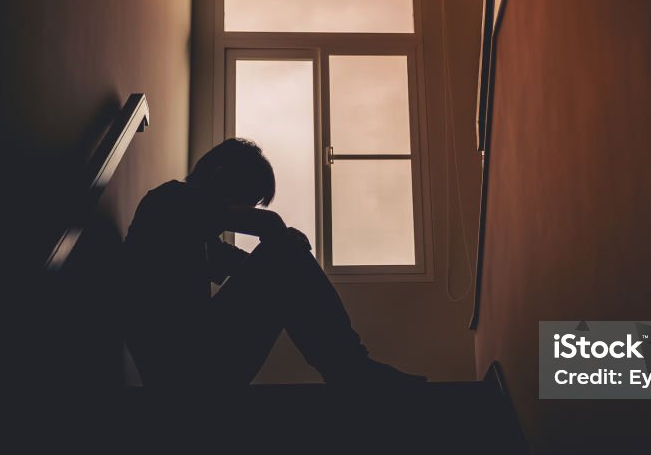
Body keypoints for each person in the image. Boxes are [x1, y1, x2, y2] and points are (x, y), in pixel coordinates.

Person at [122, 138, 426, 388]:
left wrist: (287, 256)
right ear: (220, 178)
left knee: (284, 257)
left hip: (193, 365)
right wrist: (282, 240)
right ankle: (352, 369)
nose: (239, 216)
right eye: (242, 203)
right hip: (182, 368)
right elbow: (268, 232)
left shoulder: (202, 240)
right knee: (284, 253)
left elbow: (254, 271)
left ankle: (351, 368)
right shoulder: (170, 201)